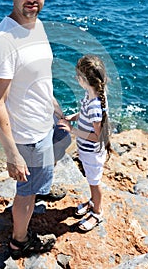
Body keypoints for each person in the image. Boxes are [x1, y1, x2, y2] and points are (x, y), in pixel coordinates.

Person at [0, 0, 65, 259]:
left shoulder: (37, 25)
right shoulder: (3, 42)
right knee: (25, 193)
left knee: (41, 175)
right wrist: (12, 154)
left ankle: (39, 187)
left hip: (44, 125)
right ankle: (20, 241)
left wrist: (57, 112)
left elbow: (41, 79)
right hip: (27, 136)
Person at [58, 54, 113, 232]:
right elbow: (84, 113)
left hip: (93, 152)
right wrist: (73, 118)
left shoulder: (96, 105)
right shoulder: (92, 94)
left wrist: (72, 131)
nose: (76, 79)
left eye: (78, 76)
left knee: (94, 182)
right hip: (87, 151)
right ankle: (92, 201)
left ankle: (97, 212)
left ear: (85, 80)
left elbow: (97, 136)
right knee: (91, 180)